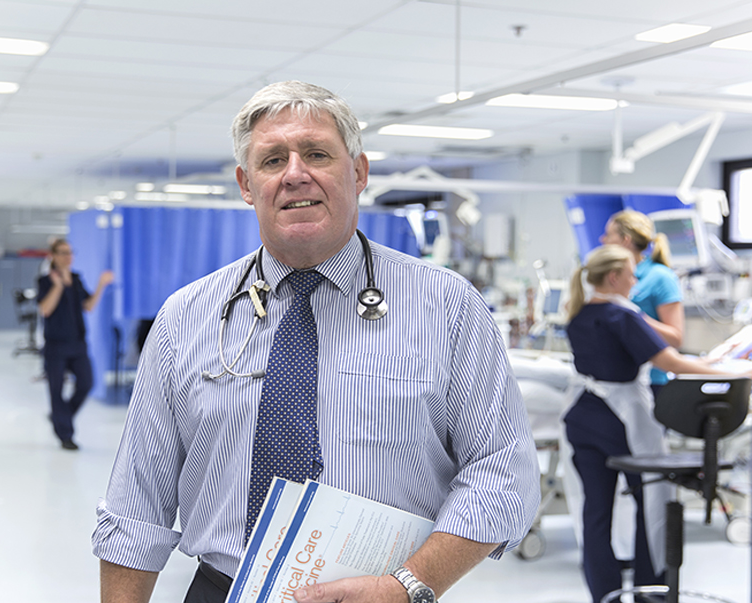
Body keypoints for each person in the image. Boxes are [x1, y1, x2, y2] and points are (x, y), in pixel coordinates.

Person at [92, 81, 540, 603]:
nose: (295, 173)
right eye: (272, 159)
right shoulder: (187, 318)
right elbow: (135, 504)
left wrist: (408, 584)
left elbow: (503, 471)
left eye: (317, 154)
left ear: (359, 172)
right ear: (246, 183)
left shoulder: (446, 307)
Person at [563, 244, 751, 603]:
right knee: (652, 501)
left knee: (596, 511)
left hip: (582, 418)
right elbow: (673, 363)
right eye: (633, 274)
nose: (636, 281)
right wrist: (734, 370)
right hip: (621, 421)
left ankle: (607, 596)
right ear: (615, 277)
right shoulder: (624, 316)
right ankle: (652, 592)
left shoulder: (579, 313)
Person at [37, 238, 114, 450]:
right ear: (53, 255)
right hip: (55, 345)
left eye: (70, 252)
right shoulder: (45, 281)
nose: (67, 256)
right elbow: (45, 309)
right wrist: (58, 286)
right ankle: (65, 435)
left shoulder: (77, 280)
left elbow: (88, 305)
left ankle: (61, 416)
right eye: (62, 252)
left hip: (78, 344)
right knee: (56, 389)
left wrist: (101, 284)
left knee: (86, 383)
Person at [600, 210, 684, 396]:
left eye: (609, 234)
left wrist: (634, 318)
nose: (602, 239)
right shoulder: (612, 276)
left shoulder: (660, 277)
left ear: (626, 240)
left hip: (649, 382)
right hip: (612, 379)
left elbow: (675, 337)